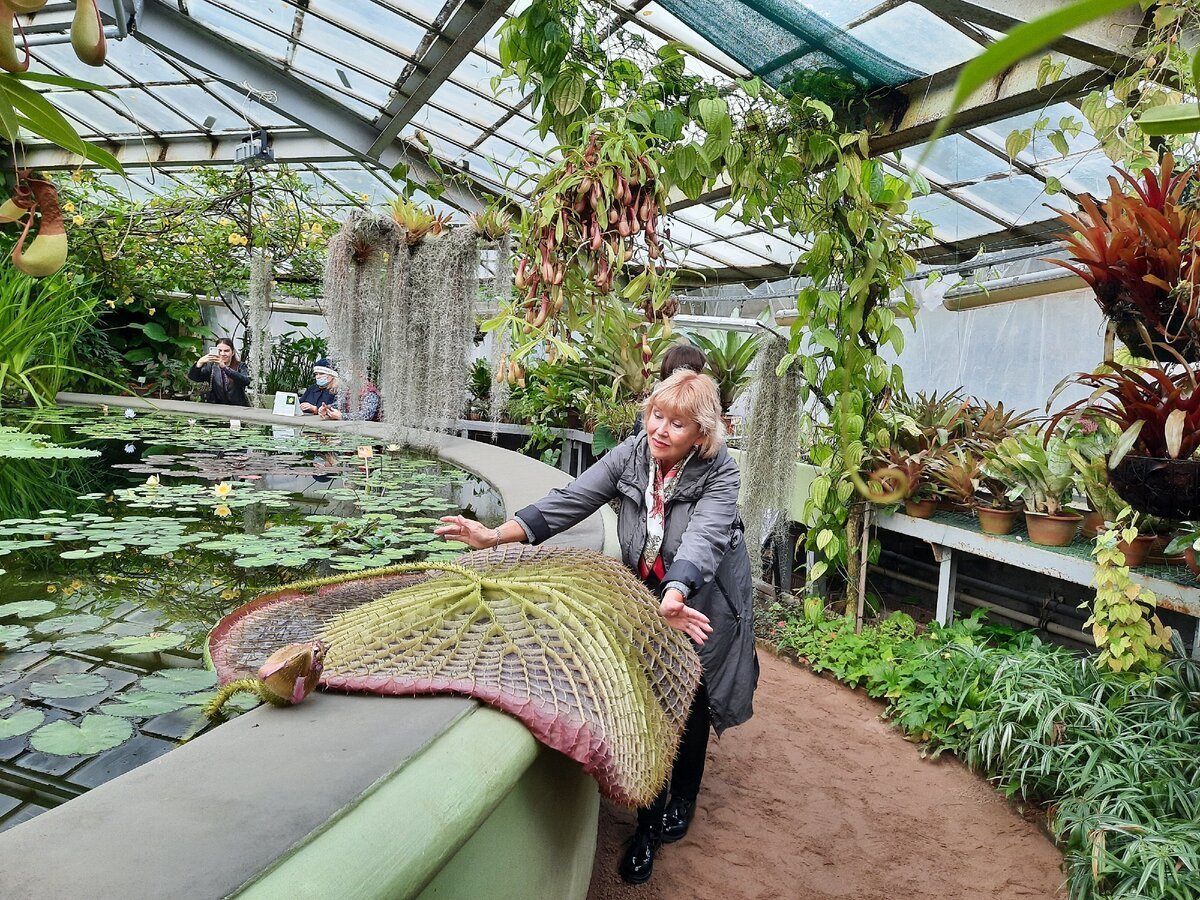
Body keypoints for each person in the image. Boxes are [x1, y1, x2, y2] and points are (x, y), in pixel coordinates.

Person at [435, 369, 757, 885]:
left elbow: (706, 538)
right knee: (656, 698)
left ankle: (685, 799)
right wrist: (496, 535)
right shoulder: (631, 455)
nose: (660, 430)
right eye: (656, 415)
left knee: (696, 699)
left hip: (703, 597)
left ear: (701, 432)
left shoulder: (720, 471)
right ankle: (648, 827)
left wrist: (676, 593)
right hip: (650, 592)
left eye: (677, 423)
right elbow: (572, 499)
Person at [632, 340, 708, 435]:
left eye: (677, 424)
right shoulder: (651, 406)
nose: (661, 431)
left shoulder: (651, 406)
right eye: (658, 416)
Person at [187, 337, 251, 407]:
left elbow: (246, 381)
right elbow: (194, 378)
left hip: (237, 407)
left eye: (226, 351)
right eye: (219, 351)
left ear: (232, 353)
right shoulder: (212, 367)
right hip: (216, 407)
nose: (222, 354)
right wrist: (199, 363)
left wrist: (225, 368)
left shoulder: (241, 366)